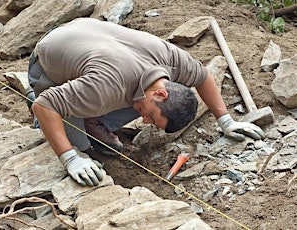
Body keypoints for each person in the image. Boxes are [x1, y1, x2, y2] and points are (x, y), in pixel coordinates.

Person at [27, 18, 265, 187]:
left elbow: (203, 76)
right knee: (80, 146)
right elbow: (45, 105)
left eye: (151, 121)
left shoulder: (171, 65)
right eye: (152, 117)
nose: (143, 120)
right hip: (48, 62)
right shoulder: (107, 86)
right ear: (162, 94)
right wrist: (70, 158)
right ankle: (49, 102)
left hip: (86, 36)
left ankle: (85, 111)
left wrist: (226, 121)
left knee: (138, 99)